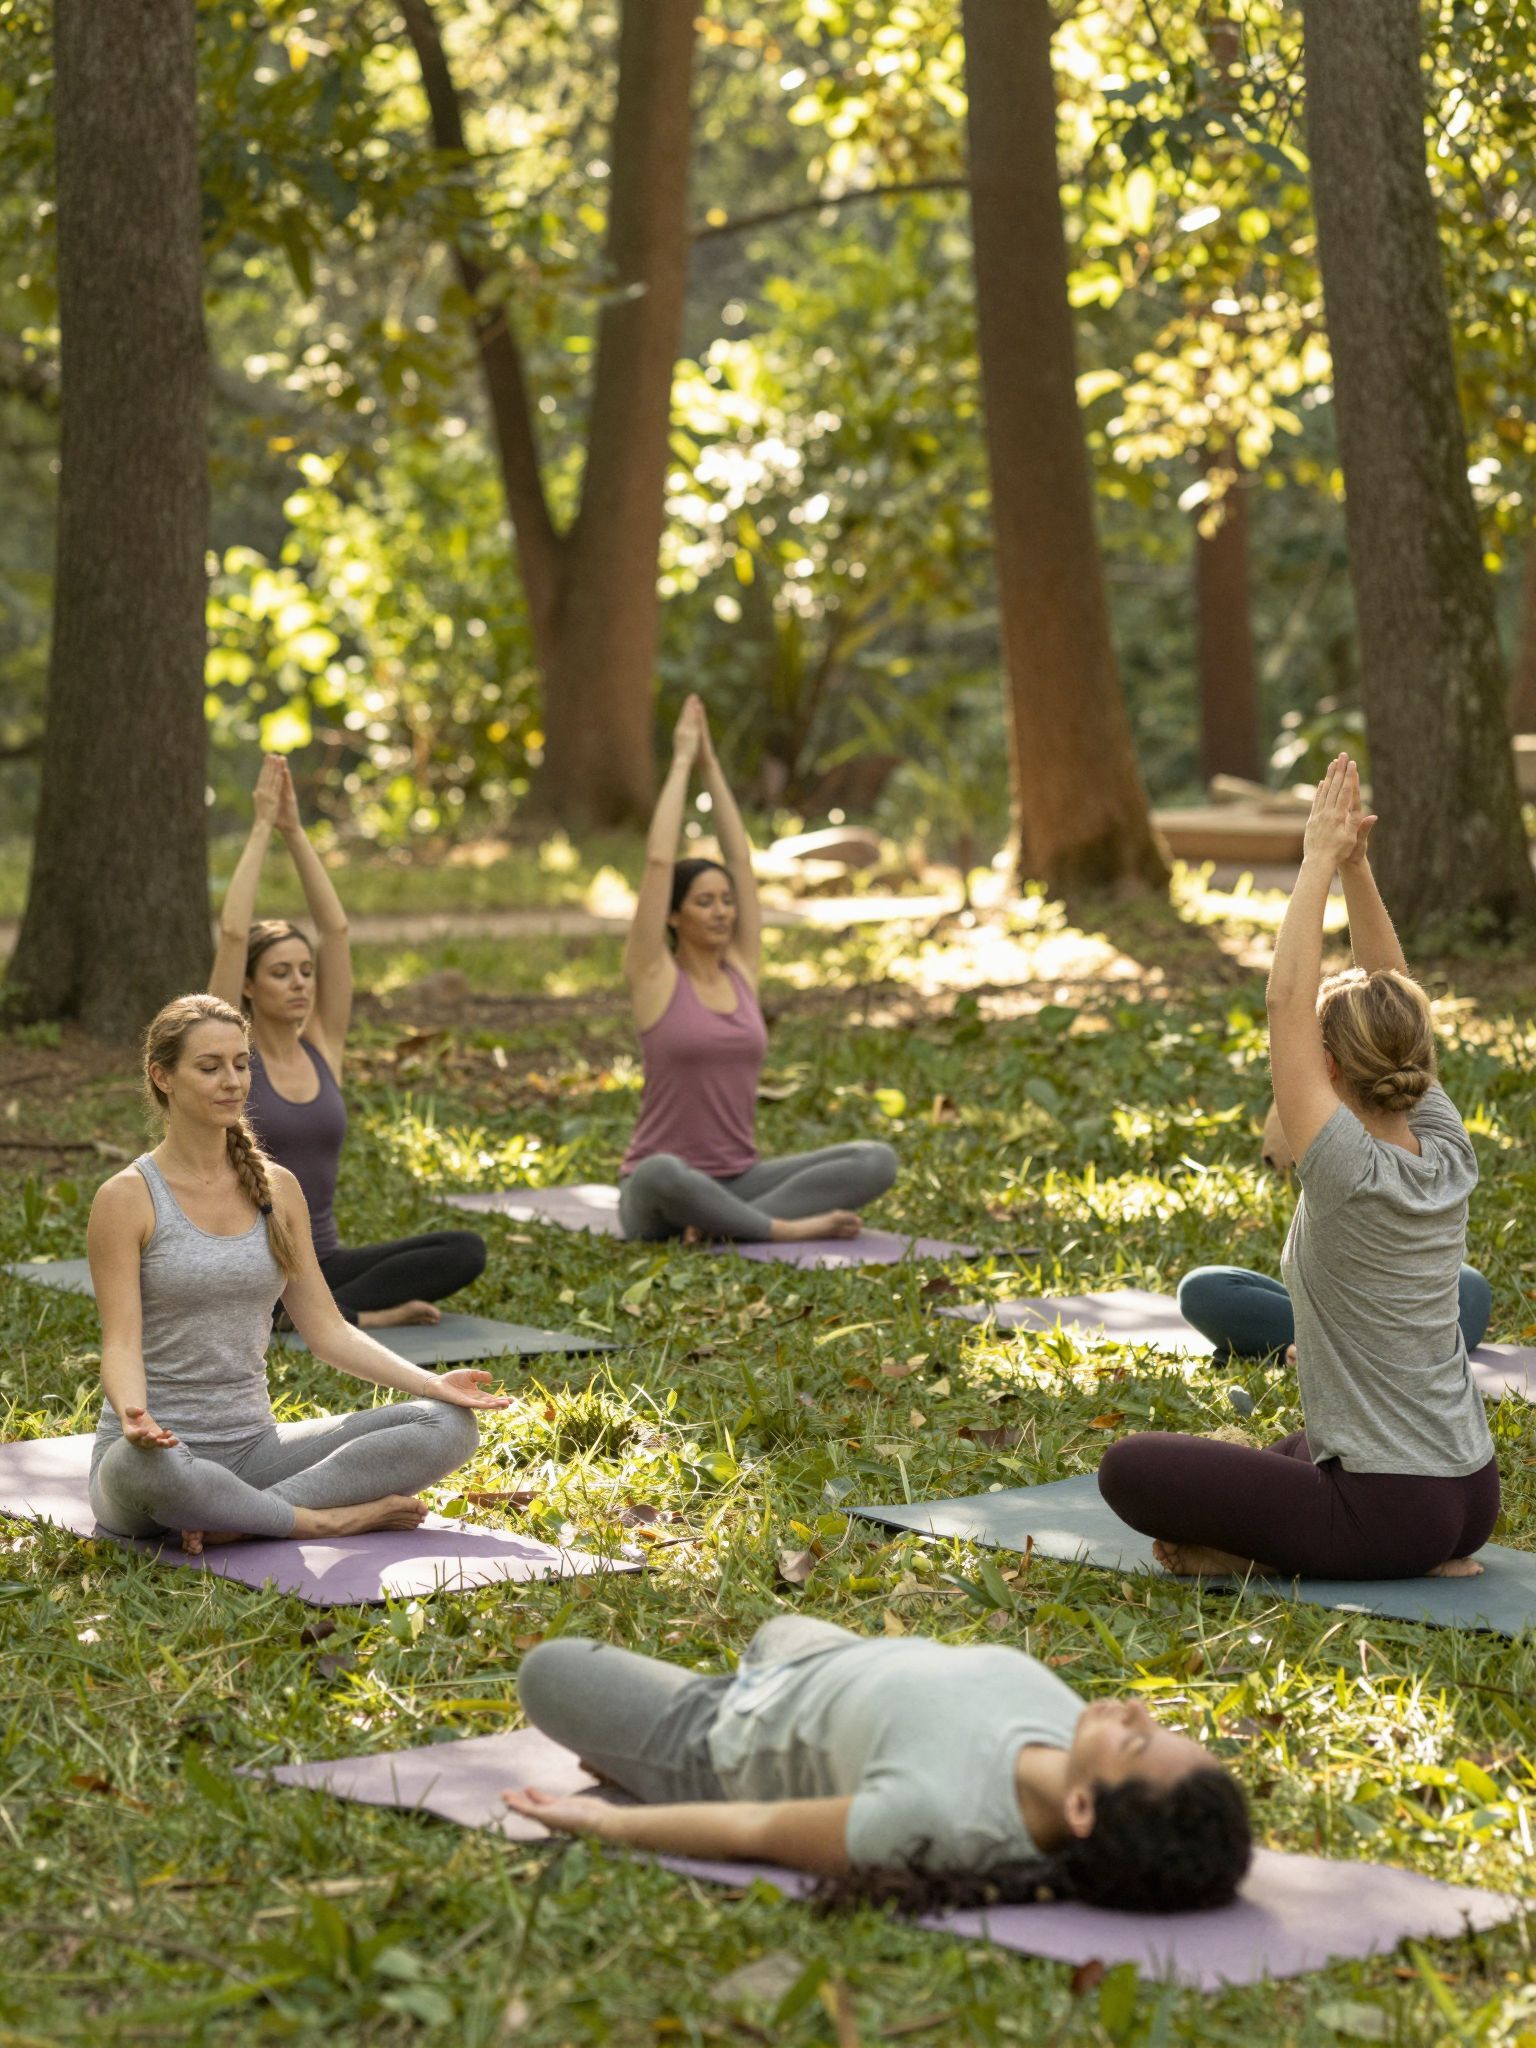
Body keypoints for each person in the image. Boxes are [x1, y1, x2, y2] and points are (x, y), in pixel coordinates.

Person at [1100, 756, 1499, 1582]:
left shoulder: (1345, 1166)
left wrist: (1316, 859)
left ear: (1327, 1067)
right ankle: (1245, 1542)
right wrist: (1357, 864)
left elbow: (1287, 1000)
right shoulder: (1443, 1140)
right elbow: (1395, 990)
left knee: (1130, 1468)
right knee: (1293, 1451)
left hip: (1394, 1511)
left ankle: (1246, 1551)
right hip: (1468, 1490)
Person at [87, 994, 511, 1551]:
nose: (232, 1081)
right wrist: (133, 1416)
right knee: (139, 1471)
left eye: (241, 1064)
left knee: (448, 1424)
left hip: (255, 1454)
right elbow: (120, 1343)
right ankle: (324, 1519)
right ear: (162, 1077)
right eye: (210, 1068)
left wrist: (433, 1384)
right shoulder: (126, 1198)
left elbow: (329, 1332)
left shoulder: (277, 1189)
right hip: (158, 1459)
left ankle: (243, 1516)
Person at [500, 1616, 1252, 1913]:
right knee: (778, 1626)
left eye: (1136, 1741)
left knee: (549, 1670)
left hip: (724, 1735)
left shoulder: (936, 1815)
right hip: (826, 1659)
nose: (1133, 1712)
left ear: (1083, 1810)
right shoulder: (1078, 1741)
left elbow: (753, 1826)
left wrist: (603, 1821)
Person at [210, 754, 485, 1328]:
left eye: (305, 972)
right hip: (251, 1264)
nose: (300, 984)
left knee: (464, 1248)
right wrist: (261, 826)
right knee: (277, 1284)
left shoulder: (322, 1046)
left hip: (322, 1260)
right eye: (281, 973)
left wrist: (295, 829)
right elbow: (234, 932)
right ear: (248, 987)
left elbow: (335, 931)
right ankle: (348, 1317)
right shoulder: (229, 1057)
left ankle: (316, 1313)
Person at [619, 697, 896, 1244]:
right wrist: (680, 761)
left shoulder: (743, 969)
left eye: (726, 901)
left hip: (741, 1182)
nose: (722, 911)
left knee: (875, 1159)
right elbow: (657, 862)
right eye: (704, 902)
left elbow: (740, 859)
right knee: (663, 1171)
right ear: (673, 915)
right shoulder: (654, 977)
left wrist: (711, 766)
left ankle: (723, 1224)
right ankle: (780, 1229)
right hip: (659, 1192)